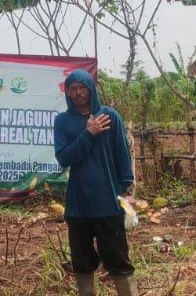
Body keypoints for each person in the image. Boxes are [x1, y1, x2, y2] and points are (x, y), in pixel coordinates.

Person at [53, 69, 138, 296]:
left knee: (119, 261)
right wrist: (88, 133)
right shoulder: (63, 122)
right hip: (79, 206)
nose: (78, 93)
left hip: (109, 203)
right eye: (73, 89)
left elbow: (122, 155)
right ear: (67, 92)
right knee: (82, 263)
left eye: (82, 88)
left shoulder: (109, 116)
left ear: (91, 89)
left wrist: (127, 190)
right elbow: (64, 158)